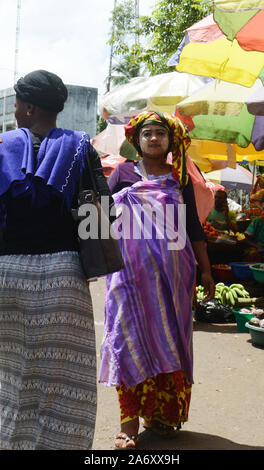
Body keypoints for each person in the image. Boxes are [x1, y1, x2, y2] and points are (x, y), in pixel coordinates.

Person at [0, 70, 114, 450]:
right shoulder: (81, 148)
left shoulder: (1, 147)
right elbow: (98, 220)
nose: (15, 110)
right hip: (63, 278)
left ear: (30, 107)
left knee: (10, 376)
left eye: (17, 103)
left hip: (7, 276)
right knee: (64, 382)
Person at [98, 111, 215, 449]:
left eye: (160, 134)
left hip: (171, 278)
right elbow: (101, 216)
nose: (153, 138)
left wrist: (205, 268)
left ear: (170, 141)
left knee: (167, 340)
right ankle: (128, 425)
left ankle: (160, 414)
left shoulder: (179, 181)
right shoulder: (122, 172)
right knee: (127, 340)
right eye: (147, 133)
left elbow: (193, 226)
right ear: (136, 140)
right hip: (128, 279)